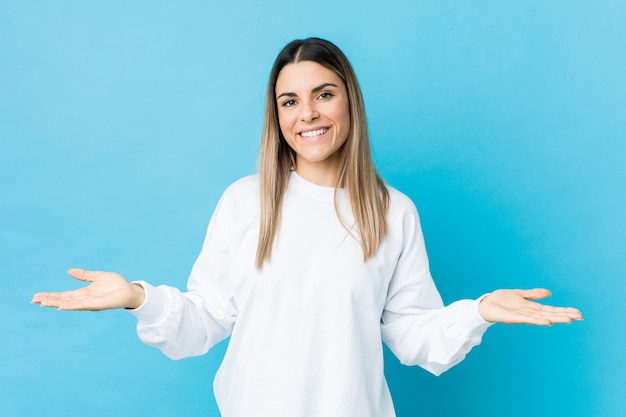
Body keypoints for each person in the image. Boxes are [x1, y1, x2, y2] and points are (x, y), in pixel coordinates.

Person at [32, 38, 582, 417]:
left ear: (349, 100)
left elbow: (414, 335)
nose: (308, 114)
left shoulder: (394, 212)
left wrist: (478, 311)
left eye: (323, 94)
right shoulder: (245, 202)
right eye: (289, 101)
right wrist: (137, 297)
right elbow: (203, 321)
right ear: (277, 116)